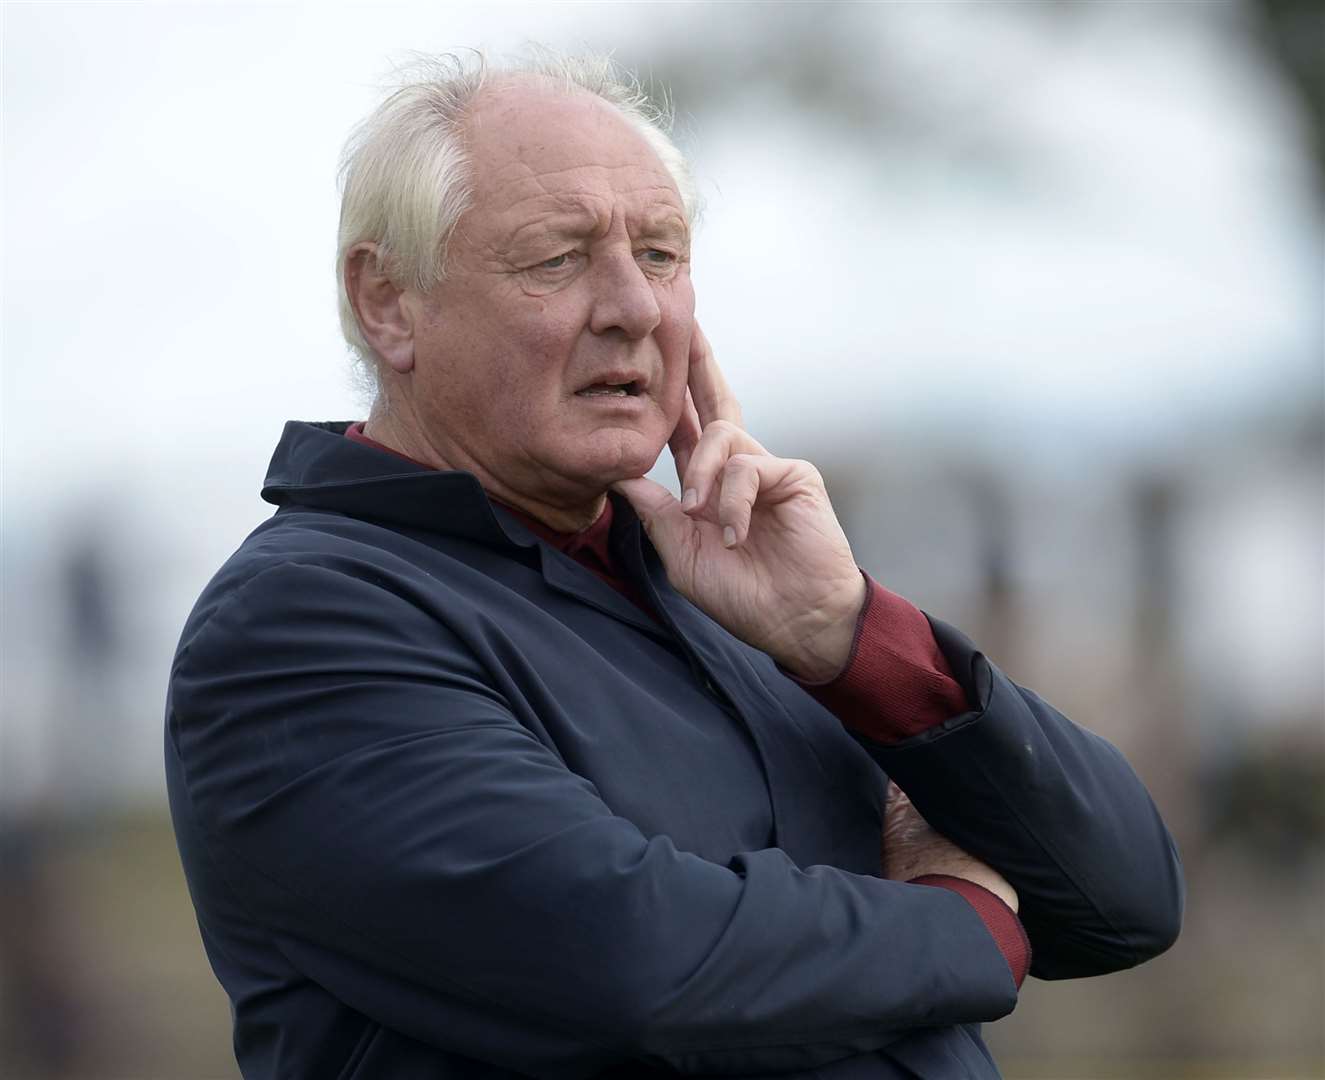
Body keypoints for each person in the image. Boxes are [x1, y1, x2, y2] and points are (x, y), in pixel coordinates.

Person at [165, 52, 1183, 1079]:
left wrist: (844, 634)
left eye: (659, 254)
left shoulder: (725, 587)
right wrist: (964, 925)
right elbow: (637, 960)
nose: (633, 309)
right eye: (555, 259)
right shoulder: (300, 624)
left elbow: (1122, 900)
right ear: (388, 304)